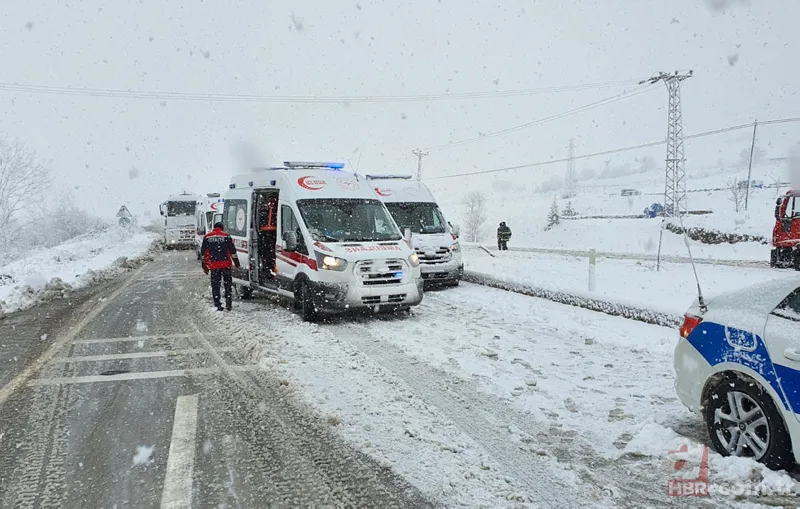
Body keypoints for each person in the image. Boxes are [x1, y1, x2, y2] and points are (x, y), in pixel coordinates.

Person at [201, 222, 241, 311]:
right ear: (222, 228)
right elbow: (233, 252)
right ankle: (228, 302)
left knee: (215, 285)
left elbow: (203, 253)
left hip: (214, 265)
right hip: (226, 264)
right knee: (227, 284)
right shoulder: (226, 236)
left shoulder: (207, 237)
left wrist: (205, 266)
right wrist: (237, 264)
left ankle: (217, 304)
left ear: (214, 228)